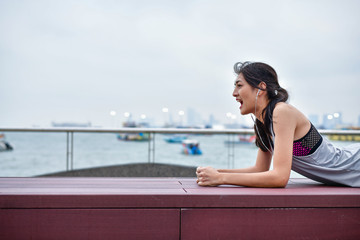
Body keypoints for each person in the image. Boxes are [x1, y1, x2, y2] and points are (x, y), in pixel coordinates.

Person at [196, 61, 360, 187]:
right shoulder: (263, 123)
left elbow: (280, 177)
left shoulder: (281, 112)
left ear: (261, 88)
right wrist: (215, 173)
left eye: (239, 85)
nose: (234, 93)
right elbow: (260, 169)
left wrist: (221, 178)